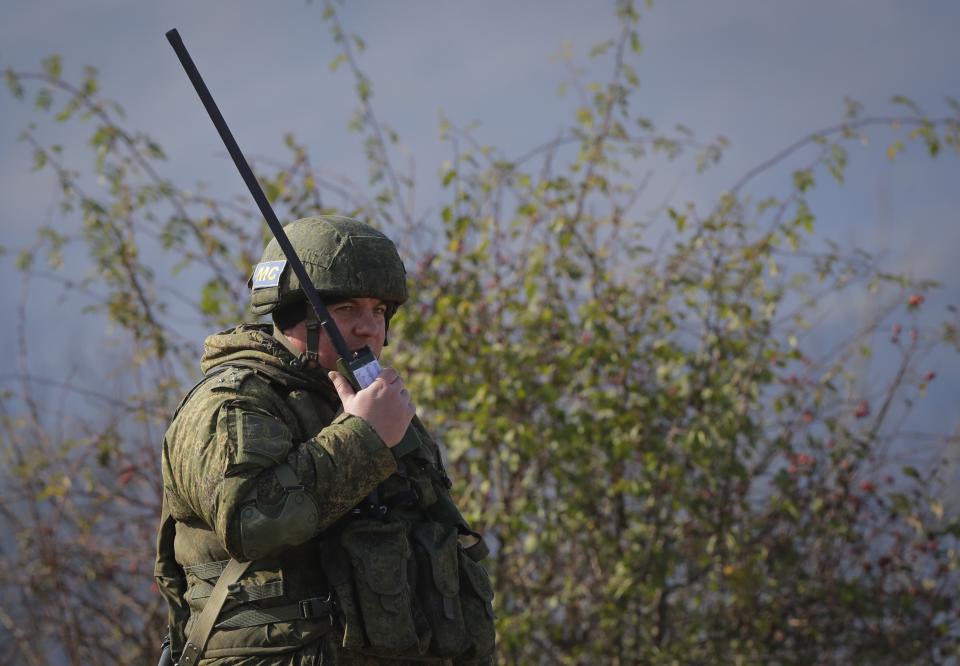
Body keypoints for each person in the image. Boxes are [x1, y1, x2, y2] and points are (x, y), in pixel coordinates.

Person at [155, 216, 496, 665]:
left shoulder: (377, 409)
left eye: (378, 311)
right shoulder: (230, 402)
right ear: (294, 314)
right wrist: (363, 438)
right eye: (346, 309)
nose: (368, 328)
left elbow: (447, 563)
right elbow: (251, 522)